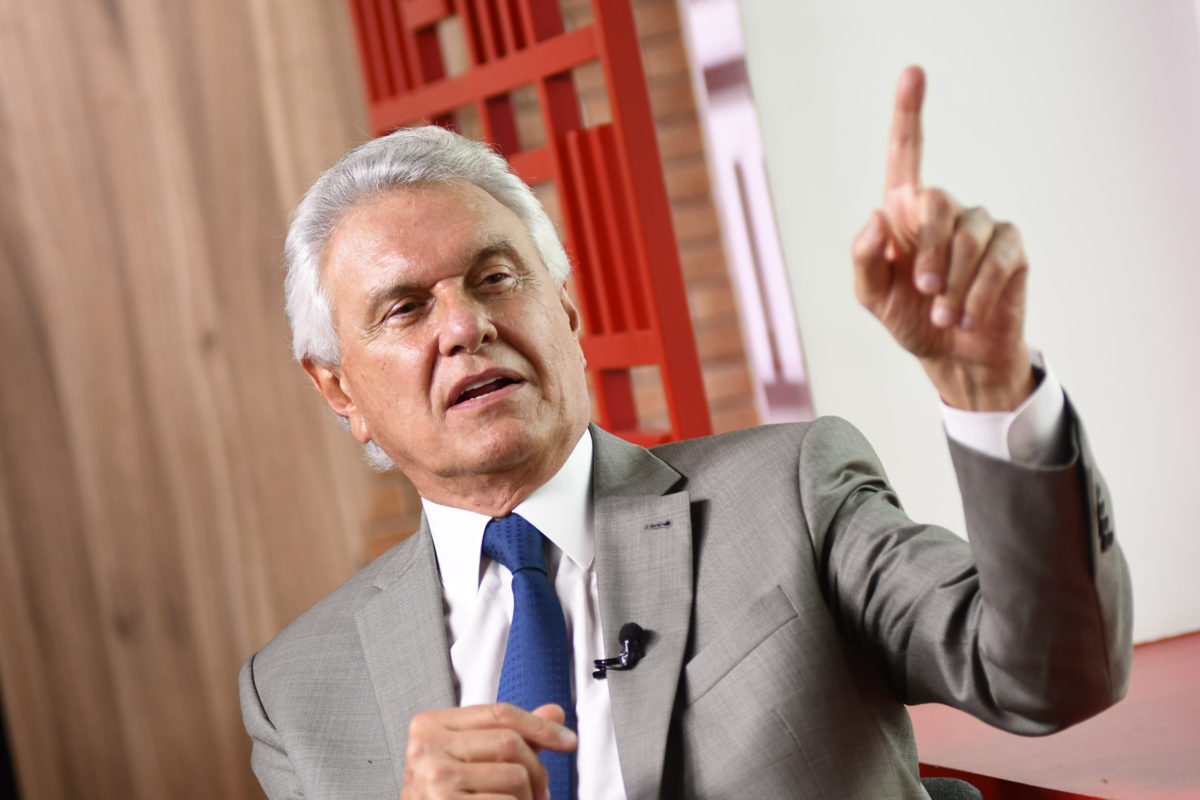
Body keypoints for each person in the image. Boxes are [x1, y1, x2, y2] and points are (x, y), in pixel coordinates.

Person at [239, 66, 1132, 799]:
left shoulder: (789, 496)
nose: (466, 326)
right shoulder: (297, 695)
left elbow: (1053, 673)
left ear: (565, 307)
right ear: (337, 387)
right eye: (404, 308)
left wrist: (990, 391)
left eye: (495, 277)